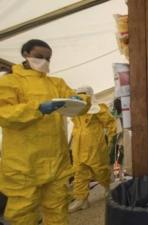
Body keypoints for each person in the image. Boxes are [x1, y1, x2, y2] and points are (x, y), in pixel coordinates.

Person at [0, 39, 90, 225]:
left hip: (56, 160)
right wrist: (38, 108)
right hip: (23, 163)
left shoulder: (56, 83)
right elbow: (4, 114)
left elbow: (79, 105)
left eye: (48, 58)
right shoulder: (9, 82)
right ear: (25, 54)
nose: (44, 62)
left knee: (58, 208)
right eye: (39, 56)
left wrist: (81, 99)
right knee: (23, 213)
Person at [68, 86, 117, 213]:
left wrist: (113, 141)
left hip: (94, 146)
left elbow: (111, 123)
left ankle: (108, 189)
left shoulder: (98, 108)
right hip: (78, 147)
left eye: (83, 94)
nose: (80, 97)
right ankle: (81, 199)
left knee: (100, 169)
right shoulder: (75, 111)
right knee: (79, 173)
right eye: (78, 94)